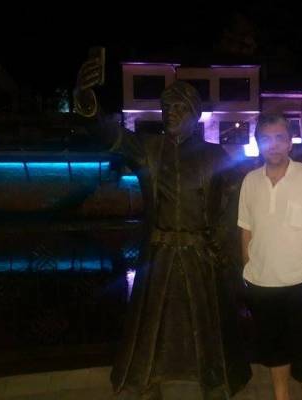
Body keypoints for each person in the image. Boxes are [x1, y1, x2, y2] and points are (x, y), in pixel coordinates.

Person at [74, 52, 251, 399]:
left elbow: (233, 203)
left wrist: (221, 244)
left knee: (207, 326)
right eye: (167, 107)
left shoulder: (215, 155)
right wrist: (85, 100)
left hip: (201, 256)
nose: (171, 113)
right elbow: (110, 135)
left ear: (195, 116)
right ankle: (148, 382)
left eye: (180, 108)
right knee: (154, 327)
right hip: (159, 256)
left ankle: (214, 380)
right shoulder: (148, 149)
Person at [237, 113, 302, 400]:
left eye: (279, 138)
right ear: (258, 143)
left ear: (290, 143)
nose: (273, 145)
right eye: (266, 139)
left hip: (299, 284)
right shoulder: (250, 181)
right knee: (275, 354)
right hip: (260, 285)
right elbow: (245, 230)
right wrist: (248, 269)